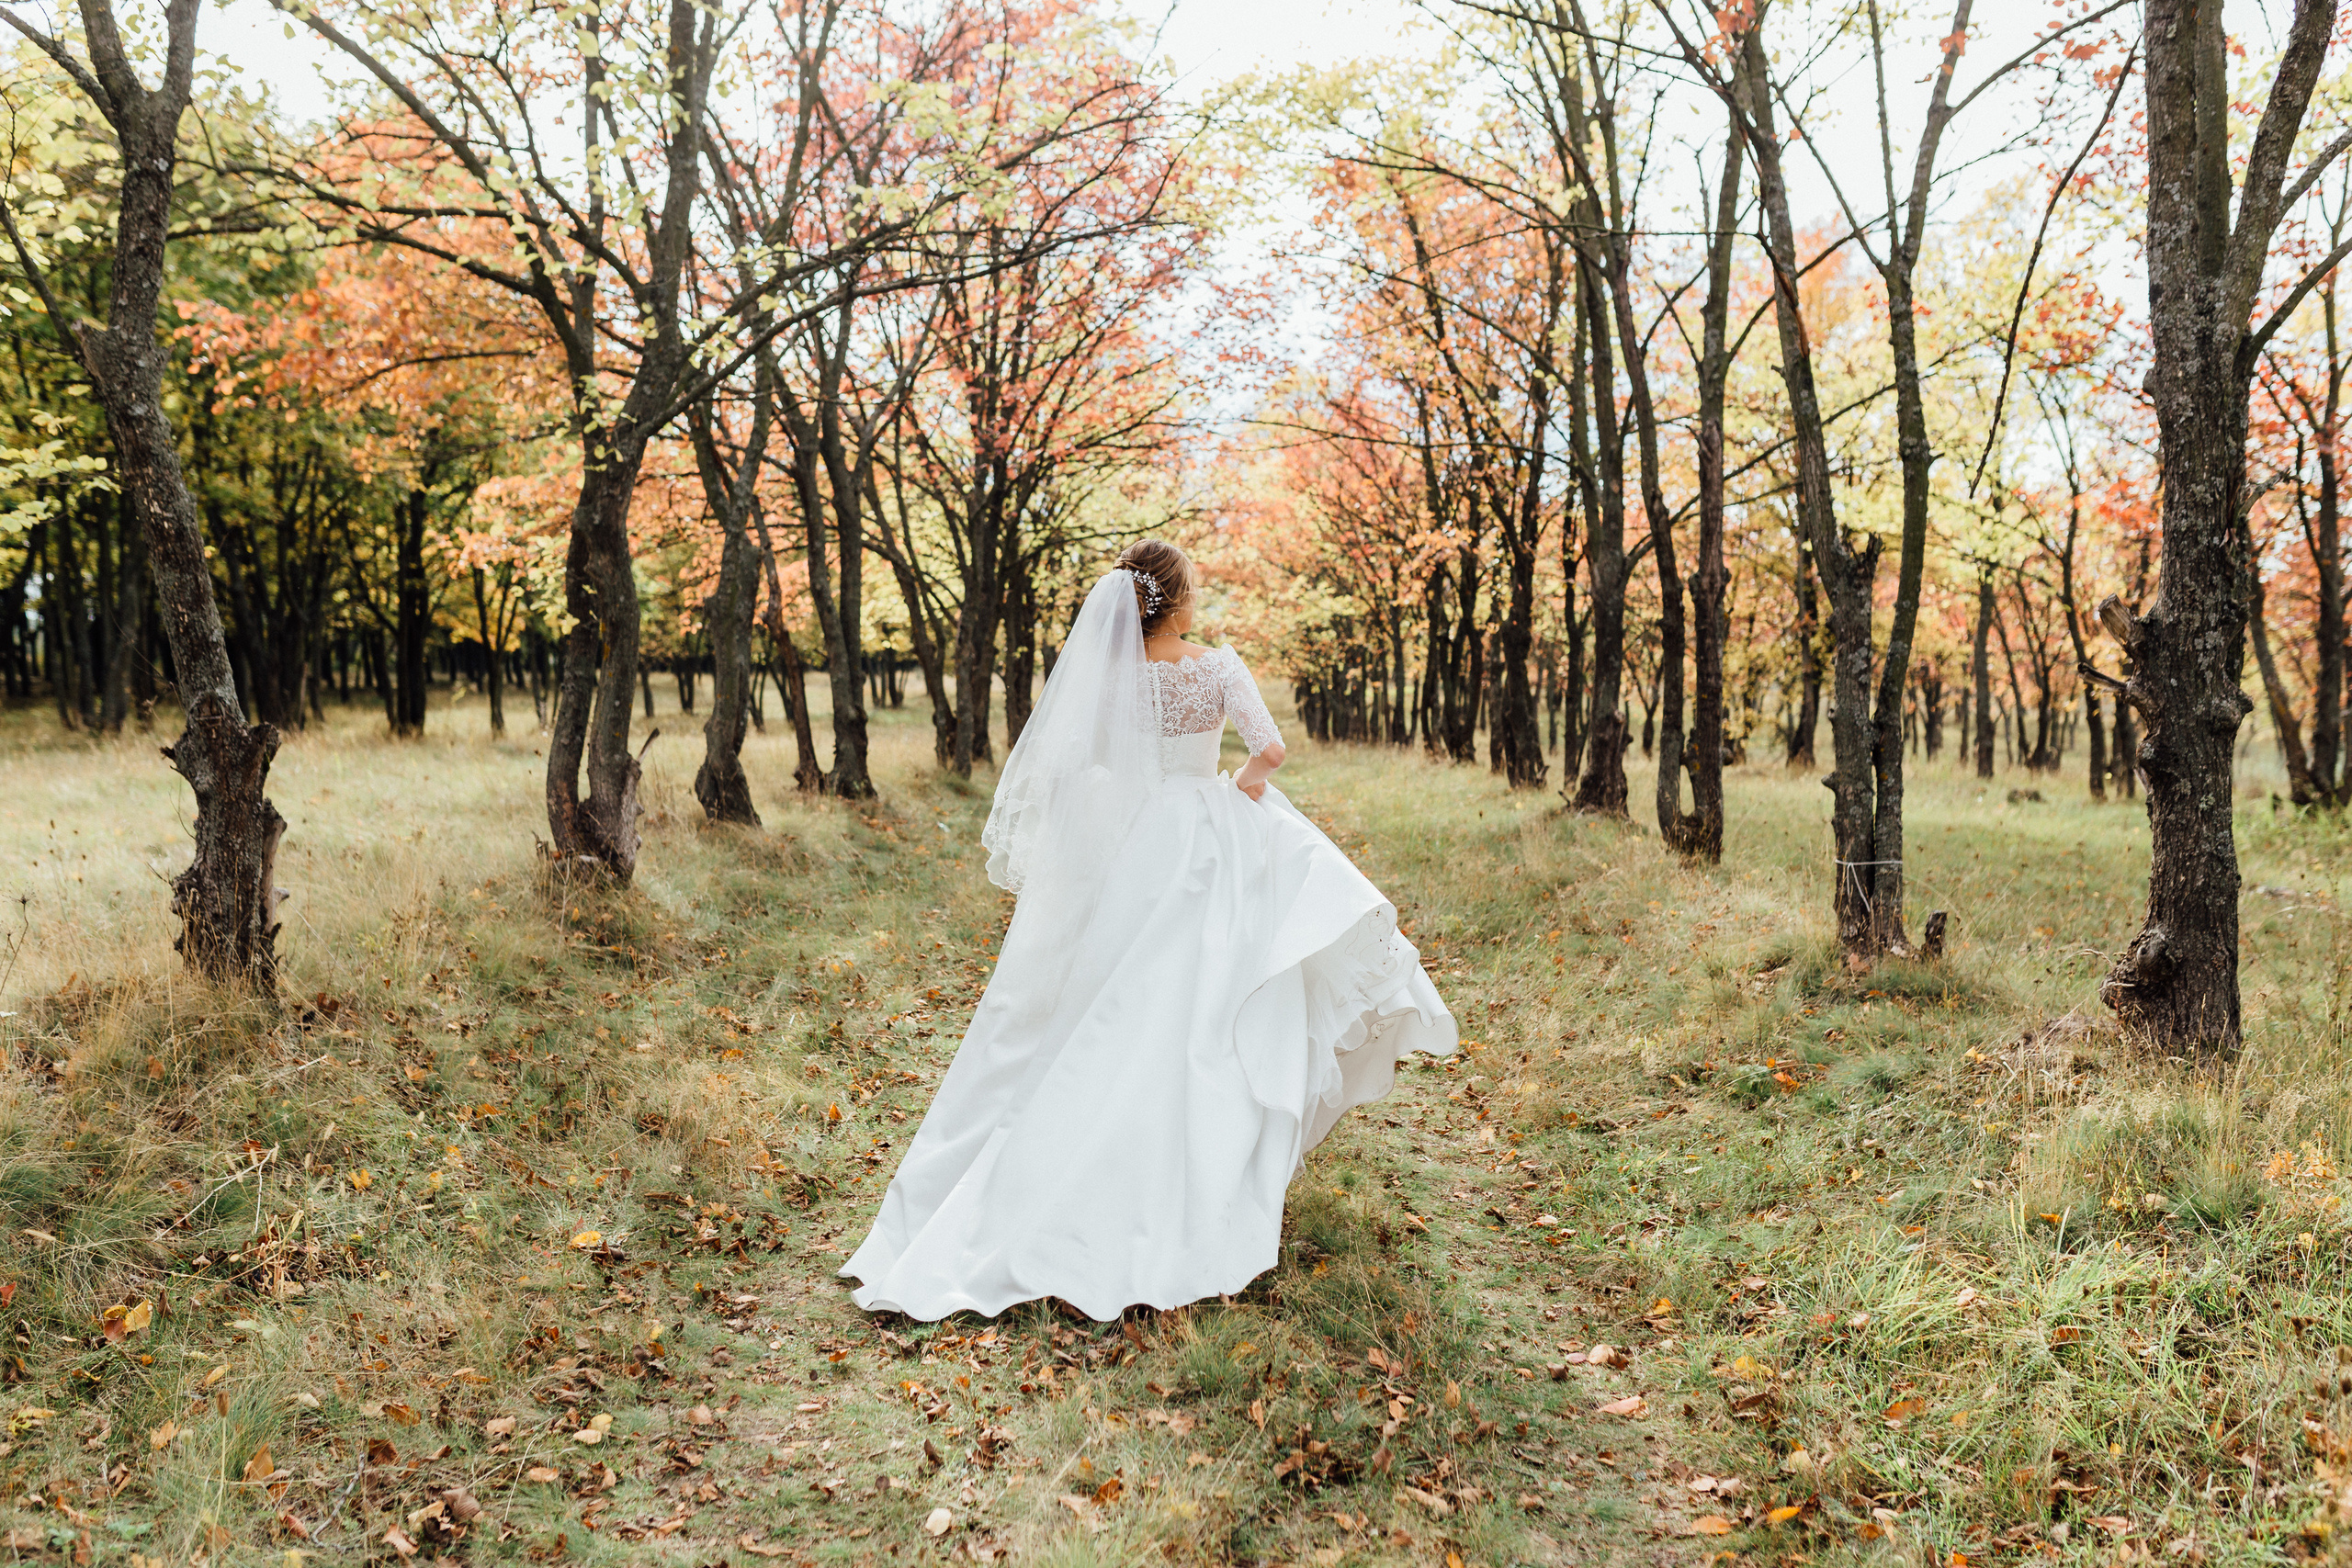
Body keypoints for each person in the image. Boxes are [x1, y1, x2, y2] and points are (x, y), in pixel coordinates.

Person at [840, 540, 1457, 1321]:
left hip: (1135, 844)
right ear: (1178, 599)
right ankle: (1196, 1173)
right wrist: (1241, 786)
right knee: (1204, 1009)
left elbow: (1084, 765)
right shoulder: (1217, 667)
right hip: (1209, 841)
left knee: (1113, 1007)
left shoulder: (1110, 677)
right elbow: (1270, 750)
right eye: (1193, 587)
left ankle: (1080, 1169)